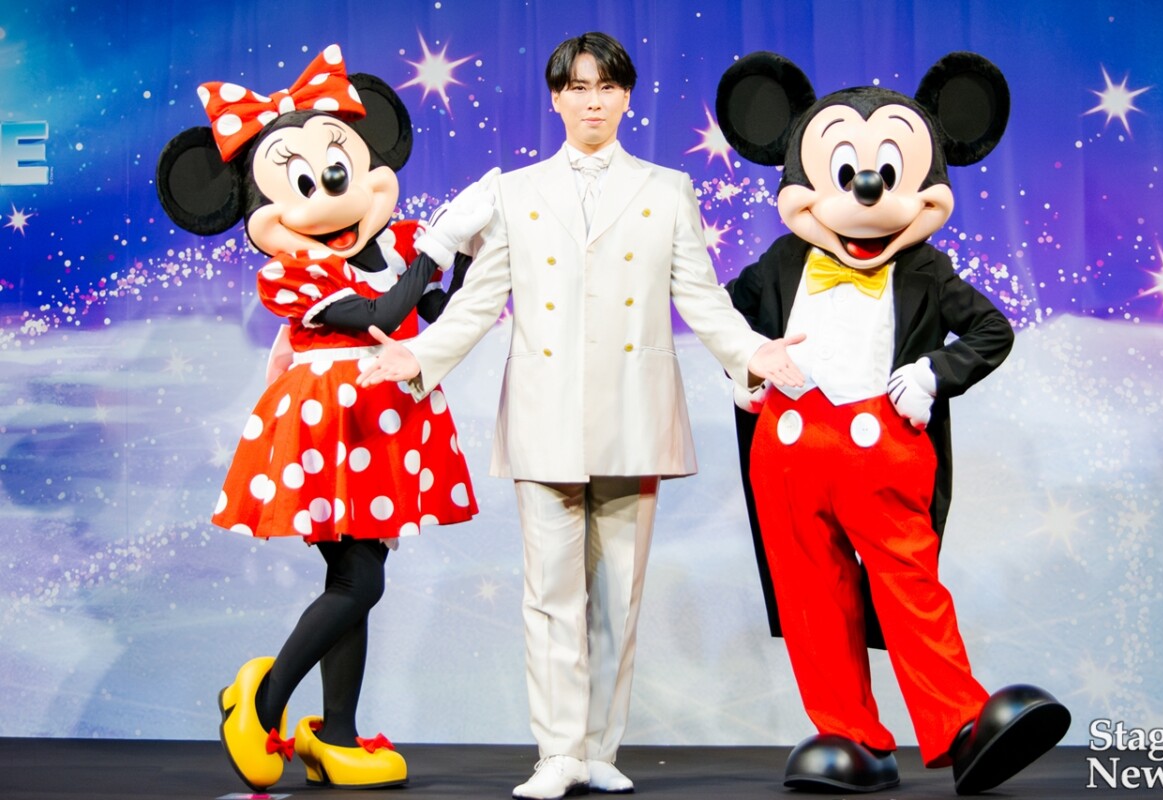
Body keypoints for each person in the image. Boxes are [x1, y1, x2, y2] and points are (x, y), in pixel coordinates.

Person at [357, 32, 804, 800]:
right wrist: (421, 357)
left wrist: (752, 353)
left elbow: (700, 299)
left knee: (619, 597)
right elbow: (479, 301)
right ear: (556, 98)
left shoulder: (667, 189)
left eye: (606, 87)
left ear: (626, 97)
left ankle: (600, 748)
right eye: (578, 87)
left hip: (635, 411)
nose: (592, 101)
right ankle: (557, 752)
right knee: (550, 594)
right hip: (546, 414)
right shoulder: (515, 193)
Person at [156, 46, 494, 792]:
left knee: (358, 576)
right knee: (358, 582)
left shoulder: (395, 245)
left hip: (388, 417)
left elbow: (433, 315)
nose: (328, 194)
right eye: (303, 183)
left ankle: (336, 734)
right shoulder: (294, 273)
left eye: (336, 173)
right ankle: (260, 701)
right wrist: (437, 247)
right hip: (330, 426)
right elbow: (380, 314)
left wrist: (470, 253)